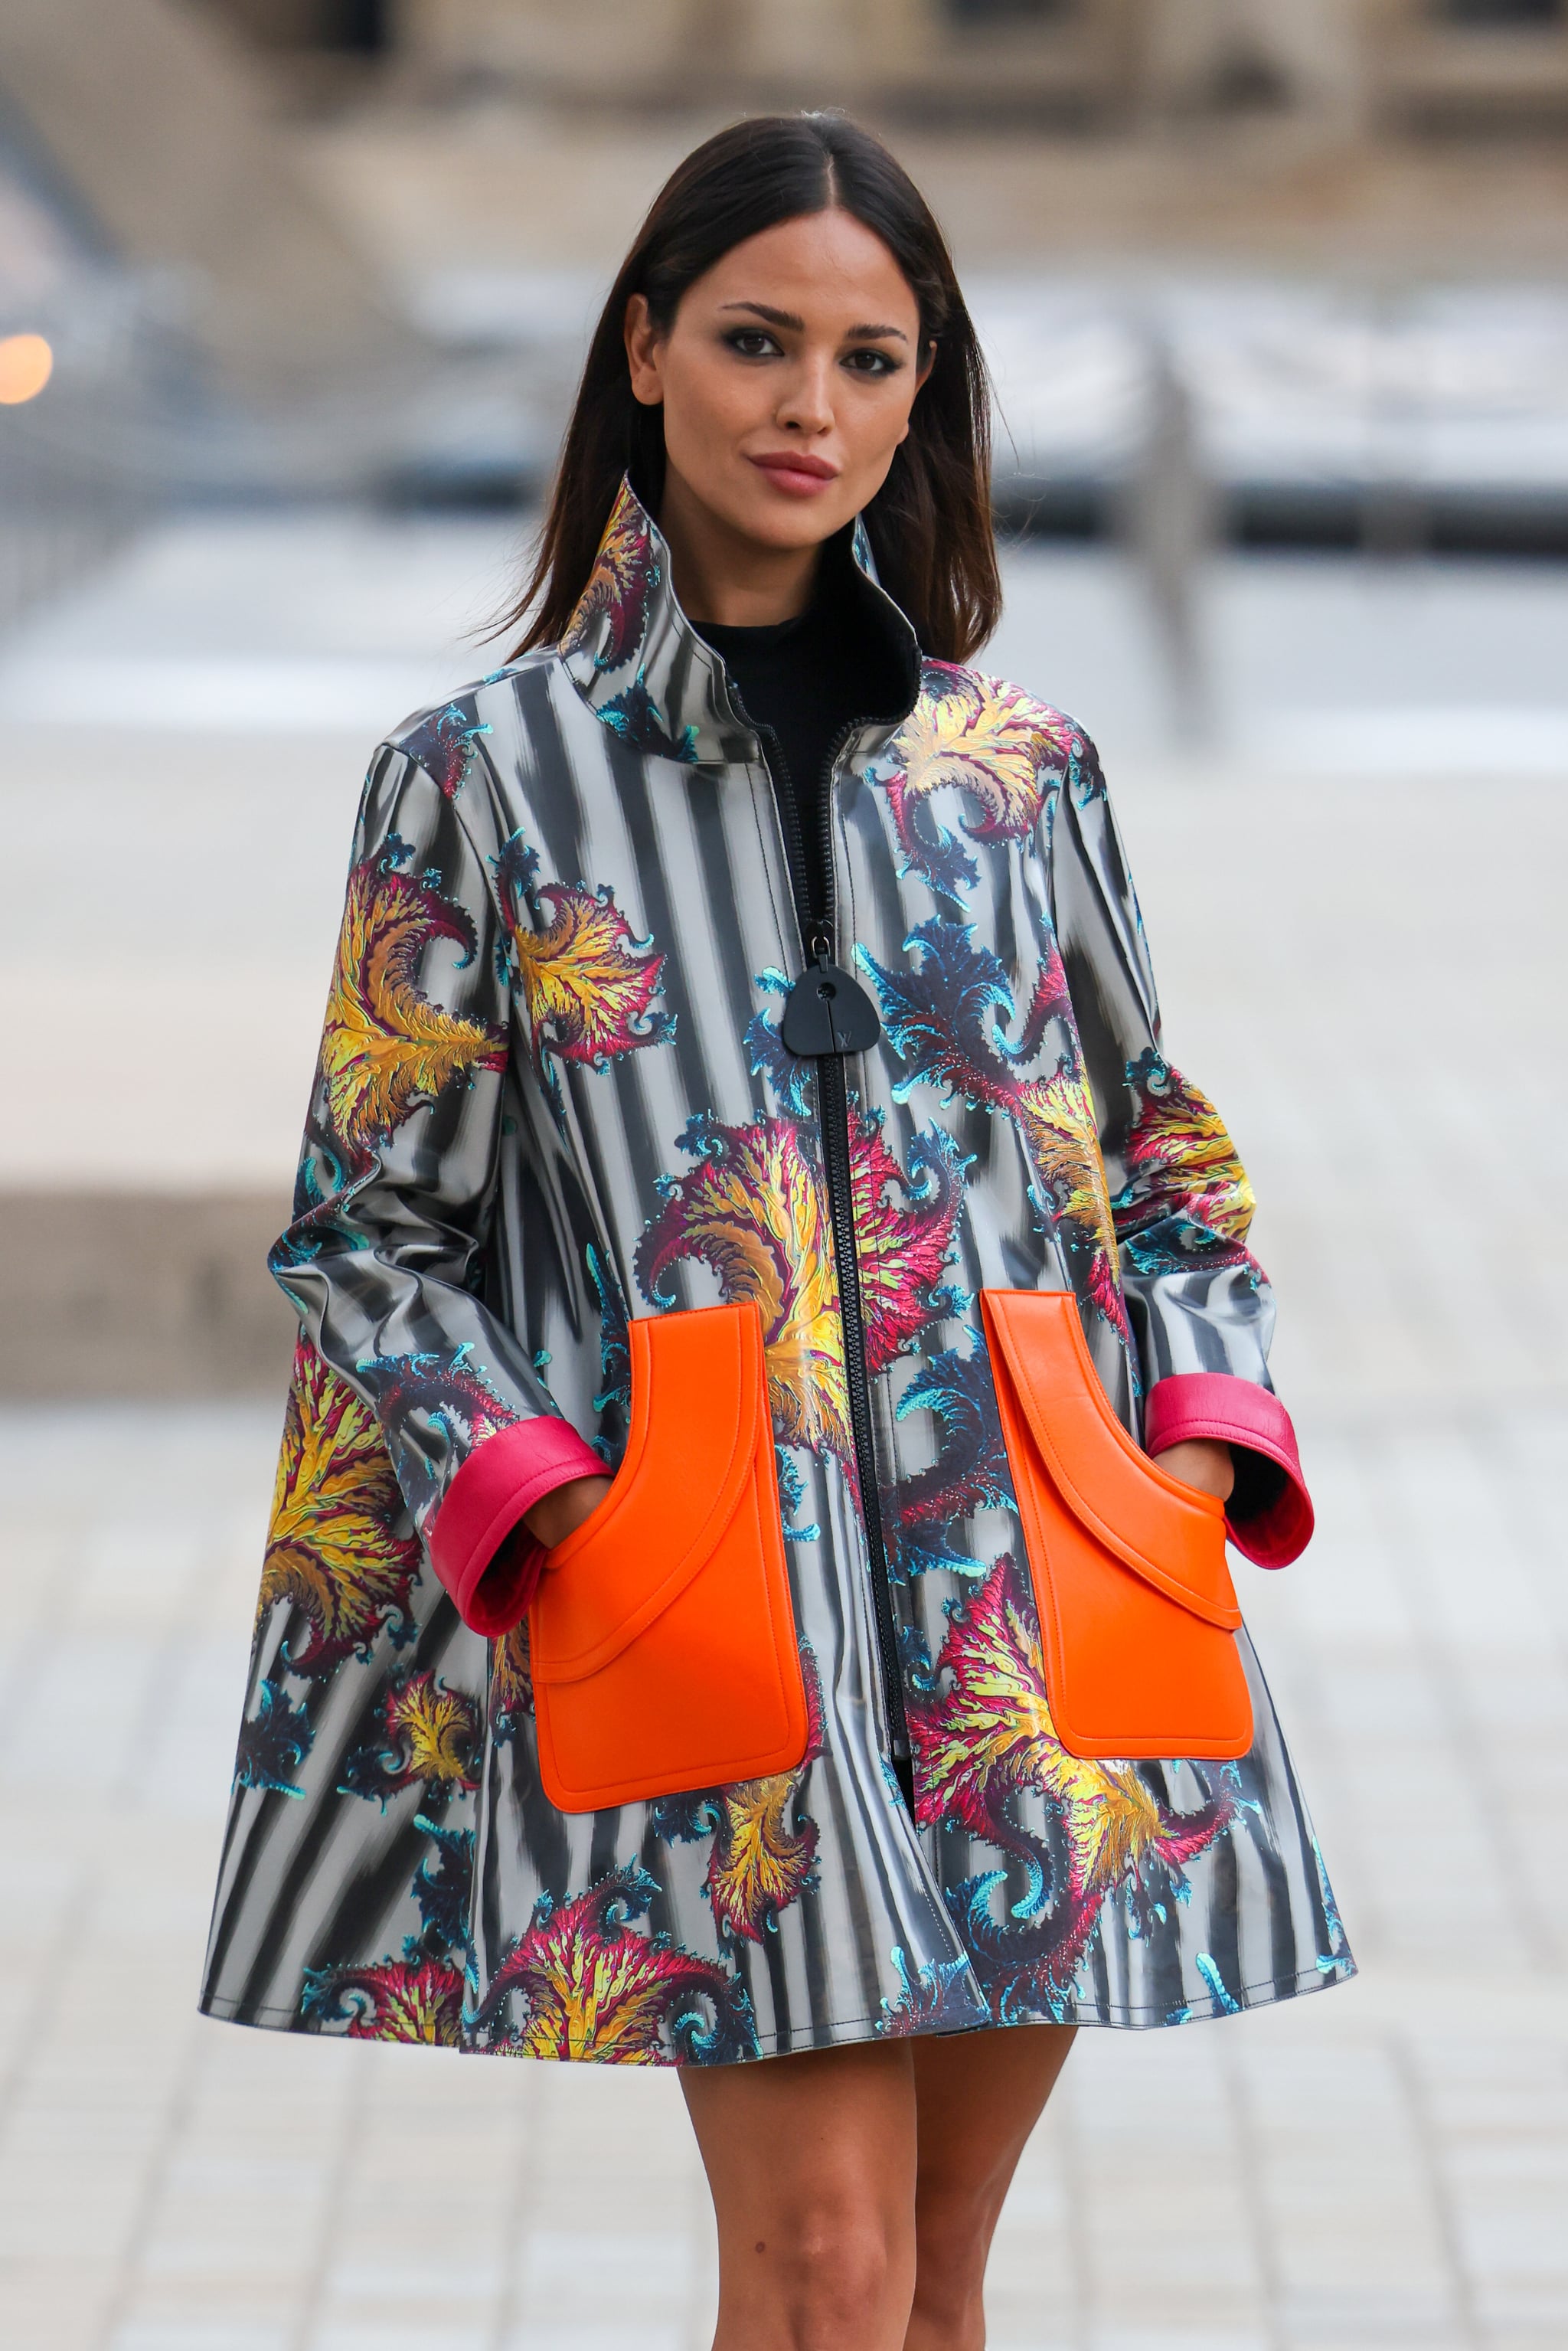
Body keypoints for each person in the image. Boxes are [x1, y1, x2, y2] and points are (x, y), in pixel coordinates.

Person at [202, 112, 1353, 2351]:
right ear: (644, 352)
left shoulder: (1018, 771)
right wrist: (565, 1521)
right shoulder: (482, 778)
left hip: (1047, 1587)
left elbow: (1167, 1154)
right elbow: (367, 1236)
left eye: (869, 357)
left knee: (926, 2282)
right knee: (820, 2274)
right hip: (719, 1588)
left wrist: (1194, 1459)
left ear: (928, 395)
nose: (809, 407)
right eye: (753, 342)